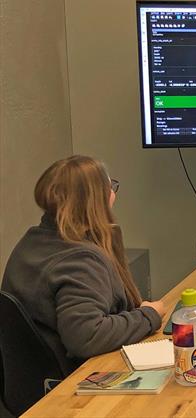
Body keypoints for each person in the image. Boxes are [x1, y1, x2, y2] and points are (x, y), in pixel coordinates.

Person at [1, 155, 166, 376]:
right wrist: (148, 315)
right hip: (71, 383)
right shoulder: (80, 259)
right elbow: (87, 336)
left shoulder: (33, 240)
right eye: (110, 187)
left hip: (29, 378)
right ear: (96, 200)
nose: (114, 194)